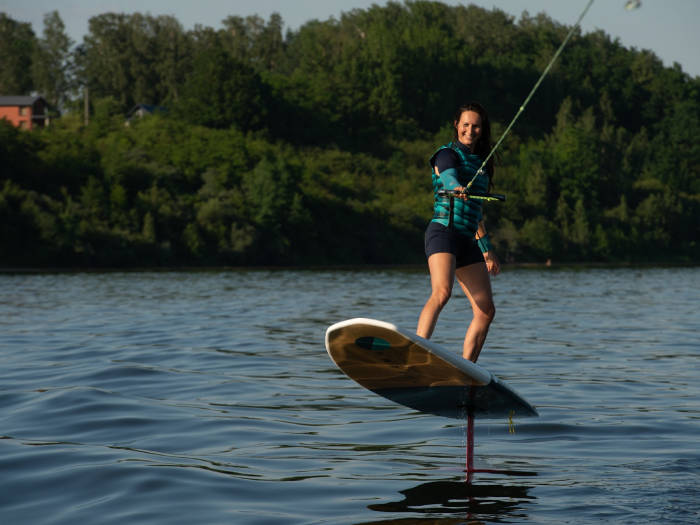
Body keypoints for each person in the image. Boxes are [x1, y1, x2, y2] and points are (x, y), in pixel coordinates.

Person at [416, 102, 500, 363]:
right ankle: (417, 352)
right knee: (442, 292)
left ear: (482, 129)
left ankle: (466, 370)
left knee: (485, 311)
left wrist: (486, 250)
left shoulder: (482, 164)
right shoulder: (446, 154)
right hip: (443, 232)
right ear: (457, 126)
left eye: (475, 126)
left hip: (467, 240)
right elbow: (448, 177)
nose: (470, 130)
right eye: (465, 125)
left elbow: (476, 214)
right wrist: (456, 187)